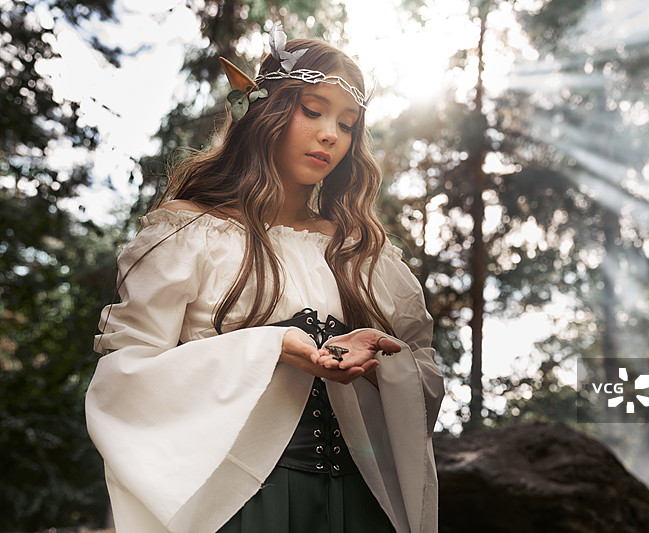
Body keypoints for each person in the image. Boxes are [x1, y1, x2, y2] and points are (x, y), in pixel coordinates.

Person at [85, 22, 445, 533]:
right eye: (313, 110)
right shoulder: (188, 232)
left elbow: (426, 369)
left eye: (347, 124)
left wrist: (382, 360)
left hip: (363, 506)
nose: (330, 135)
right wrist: (270, 348)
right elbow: (127, 377)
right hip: (242, 506)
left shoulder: (364, 252)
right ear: (266, 111)